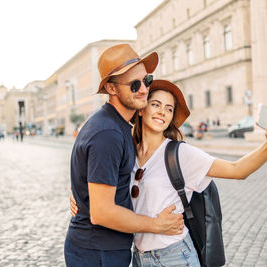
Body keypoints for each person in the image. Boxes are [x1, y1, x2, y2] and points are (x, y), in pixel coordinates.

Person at [71, 79, 267, 266]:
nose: (162, 112)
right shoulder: (125, 147)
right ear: (141, 108)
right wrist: (76, 193)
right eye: (155, 104)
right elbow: (97, 172)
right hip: (137, 258)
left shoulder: (180, 153)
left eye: (169, 108)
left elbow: (237, 170)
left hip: (174, 256)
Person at [64, 45, 184, 267]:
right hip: (97, 252)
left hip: (101, 249)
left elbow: (89, 167)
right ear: (111, 88)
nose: (144, 90)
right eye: (134, 85)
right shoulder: (108, 133)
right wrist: (158, 225)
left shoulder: (112, 125)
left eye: (146, 80)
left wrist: (78, 191)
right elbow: (102, 213)